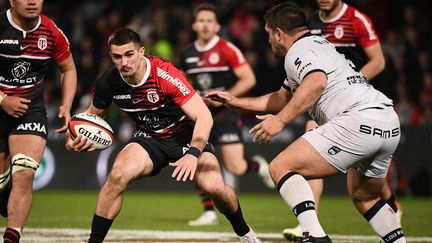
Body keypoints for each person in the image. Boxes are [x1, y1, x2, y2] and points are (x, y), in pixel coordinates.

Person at [207, 2, 406, 242]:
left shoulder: (298, 51)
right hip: (387, 122)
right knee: (366, 198)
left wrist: (280, 121)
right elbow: (281, 97)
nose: (269, 41)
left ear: (279, 32)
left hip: (356, 120)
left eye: (269, 34)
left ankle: (315, 236)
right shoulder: (318, 45)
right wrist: (237, 101)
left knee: (280, 167)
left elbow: (316, 82)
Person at [65, 28, 260, 243]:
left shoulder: (165, 75)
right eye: (117, 57)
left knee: (215, 187)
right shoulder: (107, 82)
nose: (124, 62)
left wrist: (193, 154)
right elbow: (92, 118)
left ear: (141, 52)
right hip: (149, 138)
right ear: (111, 56)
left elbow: (204, 117)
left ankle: (245, 233)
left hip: (184, 136)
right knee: (117, 175)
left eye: (129, 54)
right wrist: (74, 136)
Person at [282, 0, 403, 240]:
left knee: (368, 183)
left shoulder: (356, 20)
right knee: (307, 154)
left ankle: (392, 205)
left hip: (356, 103)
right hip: (324, 102)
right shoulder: (311, 23)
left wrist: (350, 82)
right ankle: (309, 222)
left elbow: (378, 60)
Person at [180, 3, 274, 226]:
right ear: (194, 24)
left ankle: (259, 166)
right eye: (201, 20)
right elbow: (184, 83)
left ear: (217, 26)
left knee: (236, 167)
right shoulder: (187, 53)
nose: (205, 25)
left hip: (225, 115)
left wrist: (225, 97)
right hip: (200, 116)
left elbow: (249, 79)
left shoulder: (227, 49)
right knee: (197, 159)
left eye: (209, 21)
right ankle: (209, 212)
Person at [0, 0, 77, 242]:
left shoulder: (52, 32)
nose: (32, 1)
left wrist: (66, 105)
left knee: (25, 173)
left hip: (30, 111)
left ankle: (12, 238)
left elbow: (69, 69)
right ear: (12, 1)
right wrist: (2, 99)